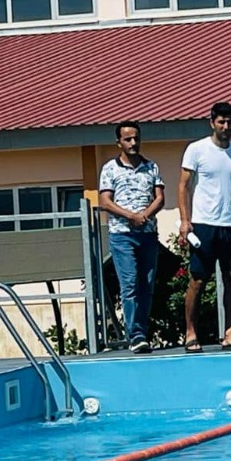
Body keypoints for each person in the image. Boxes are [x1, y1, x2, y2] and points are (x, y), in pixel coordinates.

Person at [177, 102, 231, 352]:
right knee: (198, 281)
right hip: (204, 224)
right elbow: (183, 186)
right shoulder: (196, 149)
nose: (226, 127)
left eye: (230, 122)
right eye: (221, 122)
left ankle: (229, 332)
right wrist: (184, 220)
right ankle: (191, 332)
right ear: (212, 123)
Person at [97, 121, 164, 353]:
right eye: (128, 139)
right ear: (119, 142)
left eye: (136, 138)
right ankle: (135, 335)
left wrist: (144, 215)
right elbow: (105, 201)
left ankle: (143, 332)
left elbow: (159, 197)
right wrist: (130, 216)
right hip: (122, 235)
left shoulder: (151, 167)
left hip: (147, 234)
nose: (133, 143)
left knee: (146, 284)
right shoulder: (110, 169)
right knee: (130, 284)